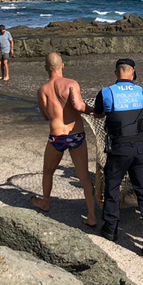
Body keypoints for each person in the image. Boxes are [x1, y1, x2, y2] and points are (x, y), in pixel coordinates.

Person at [71, 58, 143, 256]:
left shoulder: (106, 93)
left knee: (112, 187)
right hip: (140, 149)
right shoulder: (142, 93)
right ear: (133, 72)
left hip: (118, 148)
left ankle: (111, 229)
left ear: (116, 73)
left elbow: (98, 115)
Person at [31, 52, 97, 226]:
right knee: (84, 177)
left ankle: (45, 201)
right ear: (63, 66)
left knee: (48, 171)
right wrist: (94, 111)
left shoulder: (42, 90)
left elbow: (47, 116)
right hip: (75, 134)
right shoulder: (71, 84)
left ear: (46, 68)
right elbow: (79, 106)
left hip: (57, 136)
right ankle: (91, 216)